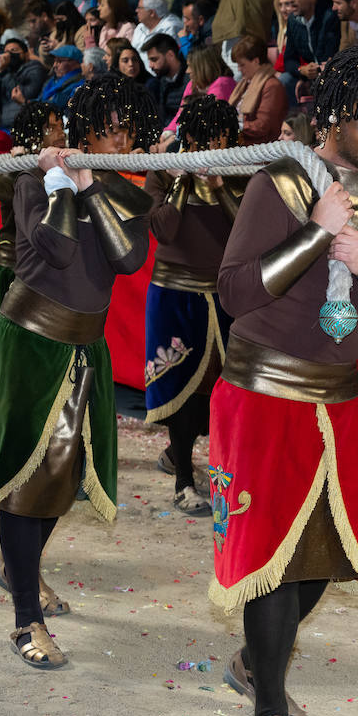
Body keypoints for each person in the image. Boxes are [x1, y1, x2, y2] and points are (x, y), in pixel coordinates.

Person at [208, 41, 358, 716]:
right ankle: (267, 714)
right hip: (261, 392)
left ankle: (255, 662)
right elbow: (235, 292)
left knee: (316, 562)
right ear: (337, 113)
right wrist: (313, 231)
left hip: (338, 402)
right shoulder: (280, 179)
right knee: (270, 564)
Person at [0, 73, 156, 669]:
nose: (118, 141)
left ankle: (17, 572)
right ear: (81, 133)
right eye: (104, 132)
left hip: (84, 348)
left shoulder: (126, 193)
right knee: (28, 483)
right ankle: (27, 615)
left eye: (126, 130)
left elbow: (128, 259)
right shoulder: (31, 180)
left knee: (66, 476)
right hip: (29, 343)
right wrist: (59, 186)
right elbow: (52, 249)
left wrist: (91, 186)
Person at [144, 95, 242, 514]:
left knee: (222, 393)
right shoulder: (164, 170)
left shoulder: (242, 169)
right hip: (174, 292)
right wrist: (183, 180)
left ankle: (190, 461)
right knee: (180, 391)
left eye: (221, 138)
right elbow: (162, 231)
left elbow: (247, 231)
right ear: (190, 137)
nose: (213, 146)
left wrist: (220, 189)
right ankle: (184, 479)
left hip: (225, 293)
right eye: (205, 138)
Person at [0, 101, 66, 337]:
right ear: (33, 134)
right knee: (5, 344)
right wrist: (17, 166)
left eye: (61, 126)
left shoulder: (68, 161)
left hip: (51, 268)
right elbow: (2, 189)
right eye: (51, 128)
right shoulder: (16, 167)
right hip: (15, 267)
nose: (60, 133)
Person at [281, 0, 342, 105]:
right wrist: (301, 70)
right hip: (309, 73)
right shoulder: (293, 20)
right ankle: (296, 123)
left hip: (330, 71)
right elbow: (289, 59)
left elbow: (333, 53)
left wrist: (317, 70)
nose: (291, 0)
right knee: (284, 79)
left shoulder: (330, 17)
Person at [230, 35, 287, 144]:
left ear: (256, 61)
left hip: (260, 150)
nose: (239, 69)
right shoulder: (244, 84)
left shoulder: (272, 86)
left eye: (242, 65)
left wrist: (234, 125)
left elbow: (263, 126)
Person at [145, 34, 190, 125]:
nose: (150, 65)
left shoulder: (190, 78)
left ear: (170, 55)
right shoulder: (162, 81)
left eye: (154, 59)